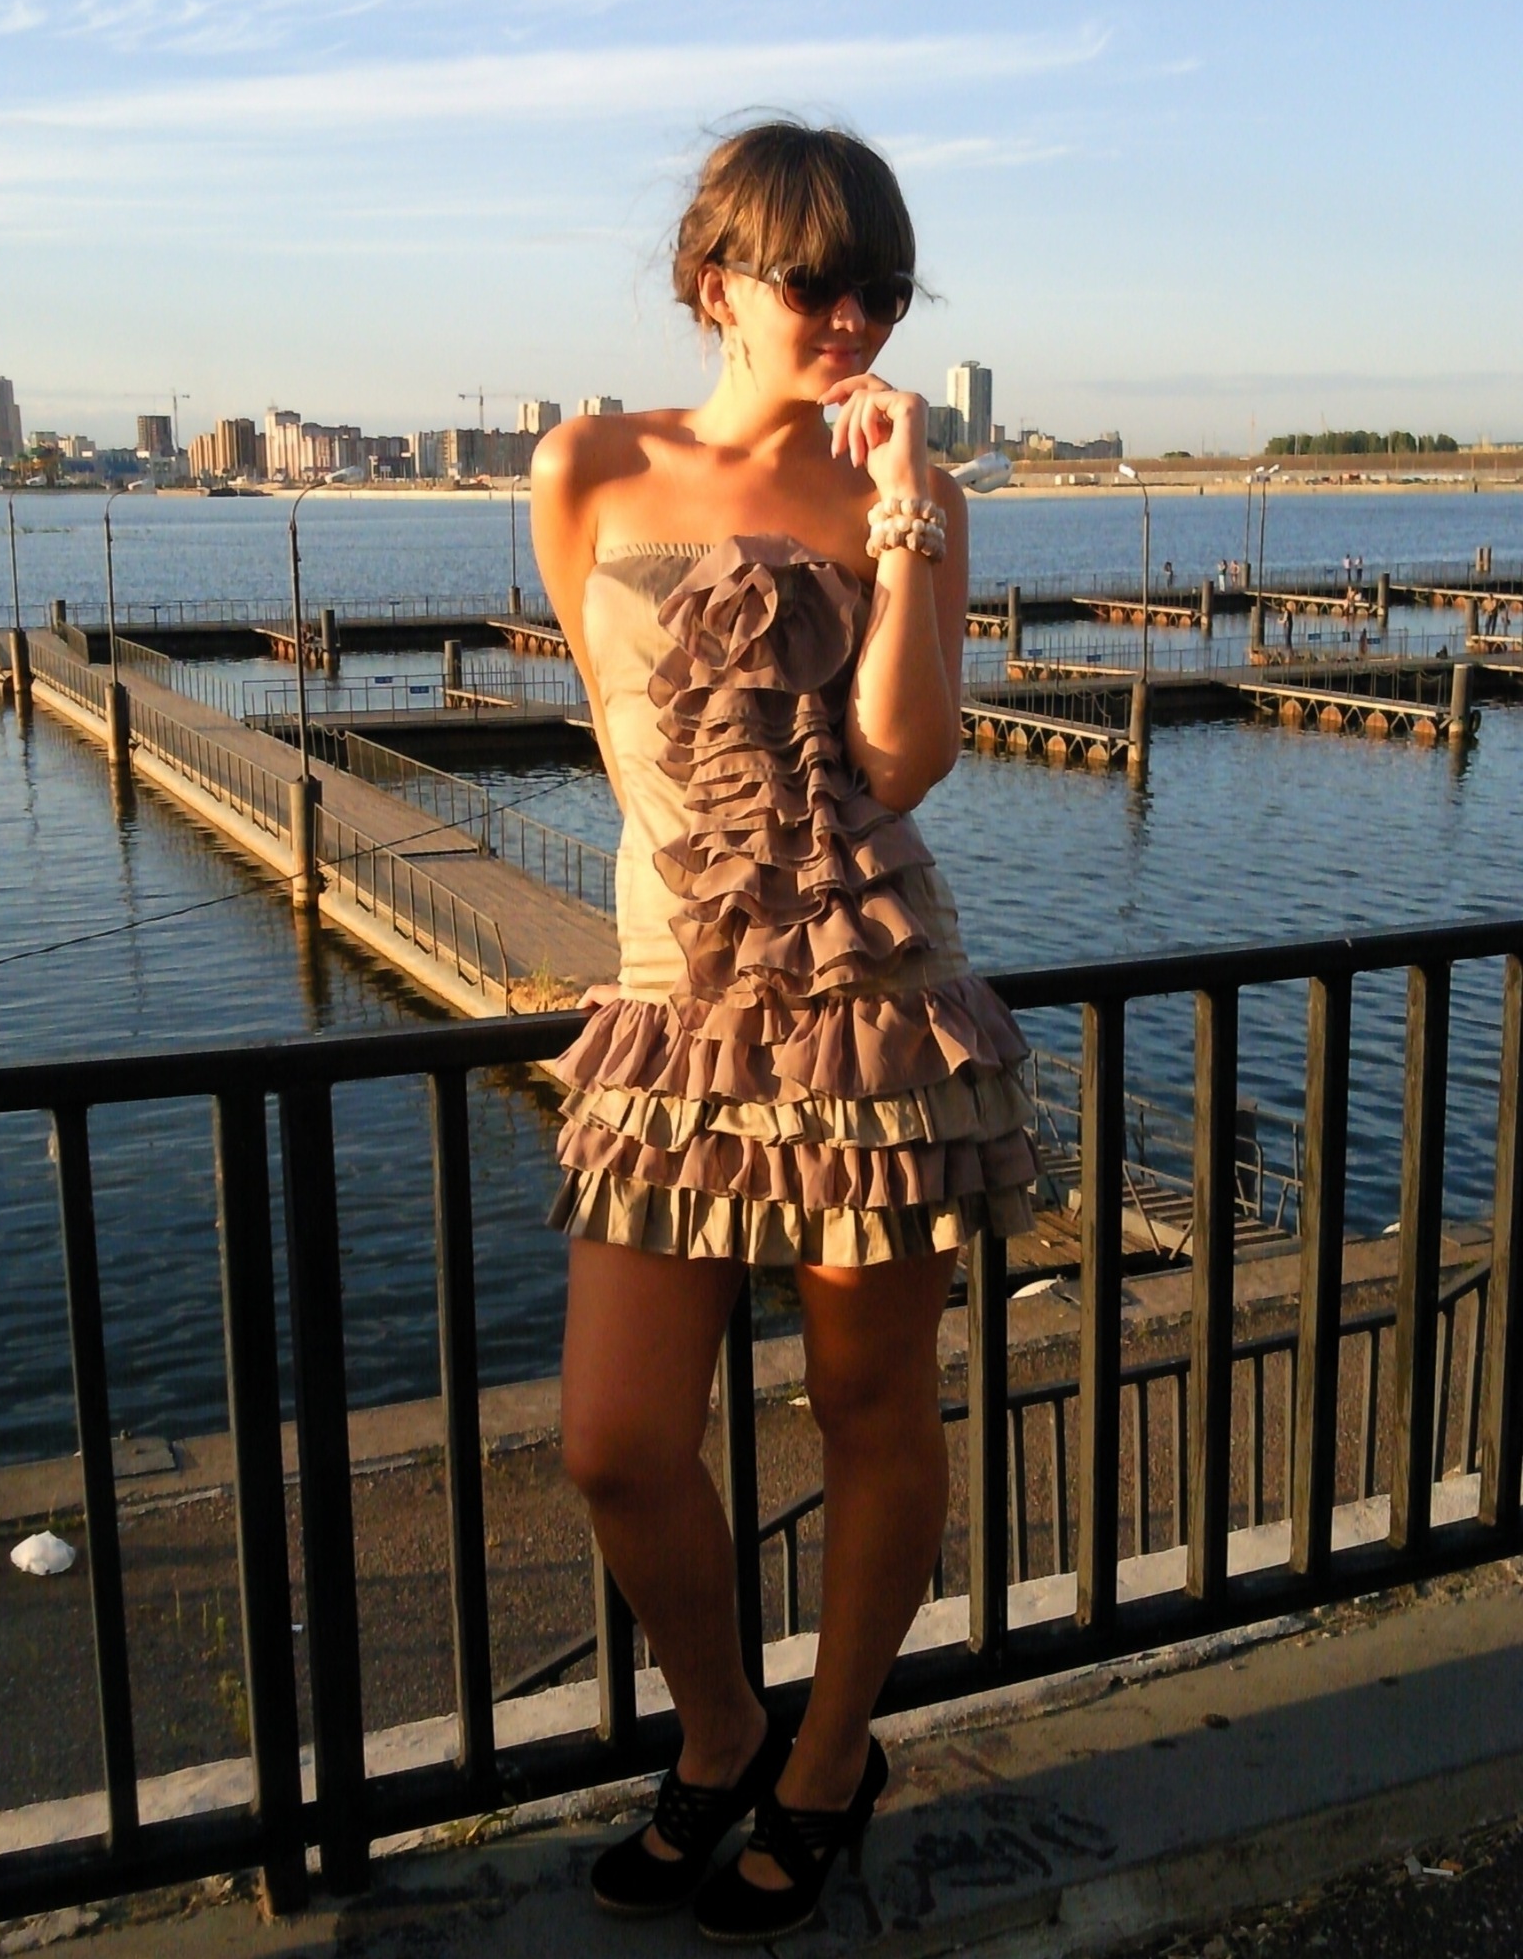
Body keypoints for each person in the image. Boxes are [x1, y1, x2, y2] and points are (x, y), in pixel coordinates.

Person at [531, 120, 1037, 1943]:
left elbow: (903, 759)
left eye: (884, 290)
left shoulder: (916, 488)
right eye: (819, 282)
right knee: (615, 1437)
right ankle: (722, 1726)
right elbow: (627, 735)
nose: (854, 319)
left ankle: (826, 1763)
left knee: (868, 1403)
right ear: (716, 277)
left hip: (867, 1010)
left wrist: (902, 515)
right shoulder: (587, 465)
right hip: (675, 1009)